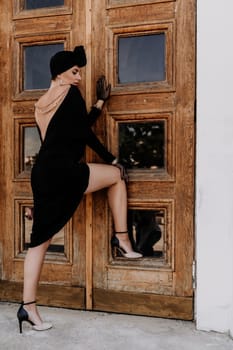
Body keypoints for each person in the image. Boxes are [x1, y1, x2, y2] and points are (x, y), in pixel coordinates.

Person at [17, 46, 142, 334]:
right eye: (74, 72)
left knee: (39, 242)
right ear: (60, 74)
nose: (79, 77)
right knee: (116, 176)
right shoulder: (70, 94)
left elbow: (71, 129)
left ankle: (28, 307)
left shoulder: (41, 105)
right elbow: (84, 134)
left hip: (42, 174)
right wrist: (112, 158)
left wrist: (99, 103)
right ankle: (122, 240)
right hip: (65, 173)